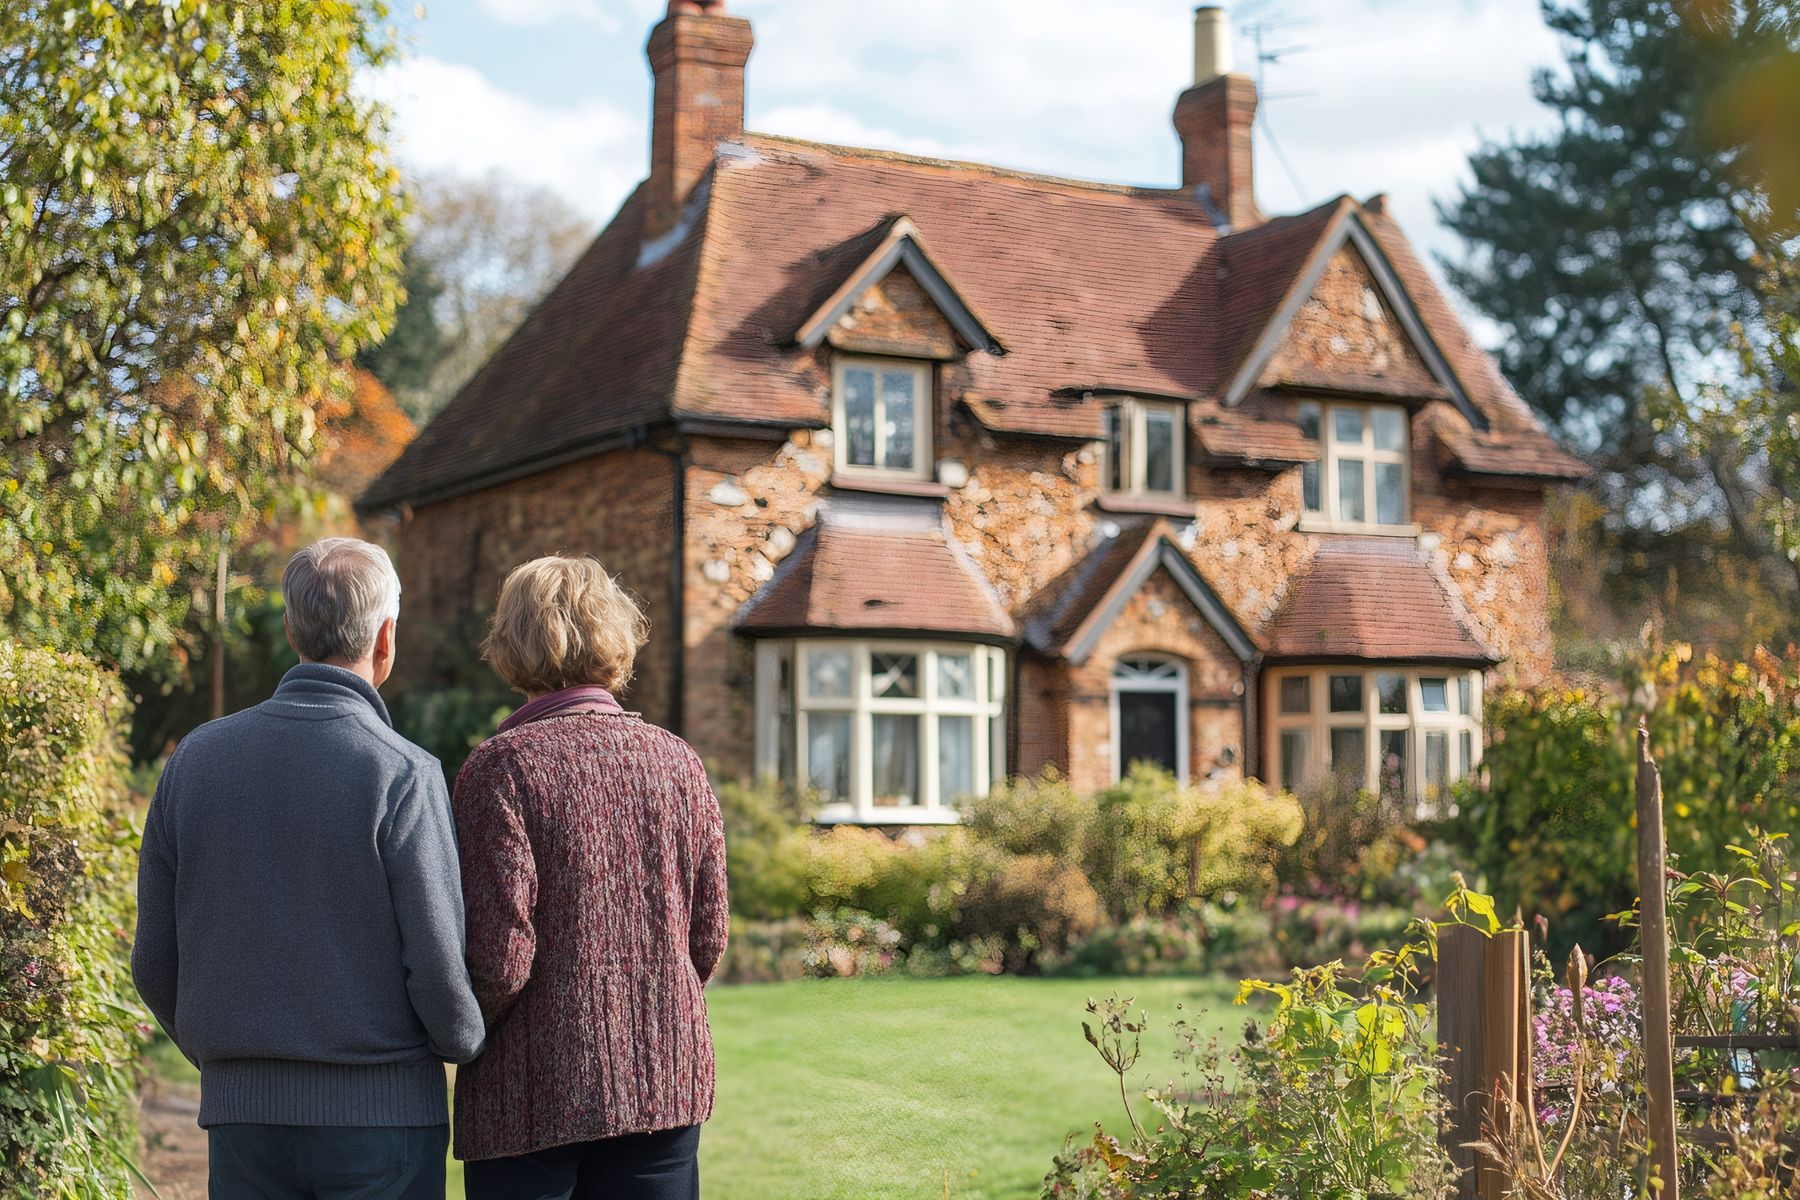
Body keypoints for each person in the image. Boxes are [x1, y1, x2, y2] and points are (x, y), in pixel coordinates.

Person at [132, 536, 484, 1198]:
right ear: (386, 639)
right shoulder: (401, 771)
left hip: (243, 1121)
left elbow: (154, 962)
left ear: (292, 630)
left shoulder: (194, 762)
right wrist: (465, 1040)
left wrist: (235, 1059)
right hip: (383, 1120)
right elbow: (435, 962)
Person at [452, 554, 729, 1200]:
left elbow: (499, 959)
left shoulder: (501, 770)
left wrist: (457, 1030)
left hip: (530, 1098)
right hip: (663, 1083)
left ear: (512, 642)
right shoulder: (678, 762)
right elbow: (708, 936)